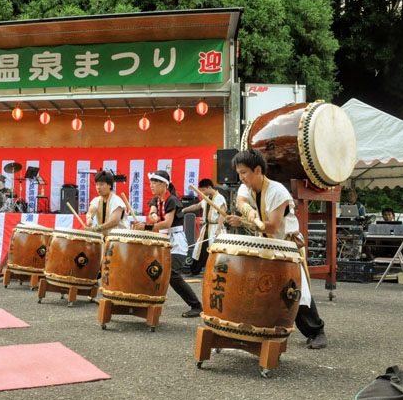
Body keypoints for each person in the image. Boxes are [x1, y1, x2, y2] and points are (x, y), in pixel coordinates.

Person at [225, 149, 328, 349]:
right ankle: (260, 329)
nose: (241, 177)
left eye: (244, 172)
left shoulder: (277, 192)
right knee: (261, 288)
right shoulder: (246, 187)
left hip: (286, 246)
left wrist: (245, 221)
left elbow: (272, 226)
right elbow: (241, 201)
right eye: (239, 173)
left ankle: (317, 331)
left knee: (294, 291)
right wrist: (249, 211)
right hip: (265, 244)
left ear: (257, 170)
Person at [134, 170, 203, 318]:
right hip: (162, 240)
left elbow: (167, 223)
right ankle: (148, 303)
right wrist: (152, 215)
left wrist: (147, 226)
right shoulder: (157, 200)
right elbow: (152, 210)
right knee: (151, 270)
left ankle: (196, 305)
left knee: (173, 275)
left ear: (164, 184)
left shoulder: (171, 200)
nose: (151, 186)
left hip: (175, 241)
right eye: (151, 183)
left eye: (155, 183)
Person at [181, 179, 226, 276]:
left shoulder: (220, 198)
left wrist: (218, 229)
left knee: (216, 250)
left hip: (215, 228)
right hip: (207, 227)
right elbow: (198, 205)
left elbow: (222, 214)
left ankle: (217, 272)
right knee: (199, 250)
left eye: (204, 190)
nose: (202, 192)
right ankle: (194, 271)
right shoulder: (207, 197)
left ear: (210, 187)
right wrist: (185, 209)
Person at [84, 170, 129, 235]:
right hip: (104, 238)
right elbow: (91, 210)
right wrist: (89, 218)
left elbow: (114, 222)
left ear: (109, 185)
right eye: (97, 184)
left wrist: (95, 229)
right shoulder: (97, 200)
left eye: (102, 184)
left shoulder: (117, 201)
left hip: (119, 239)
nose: (98, 187)